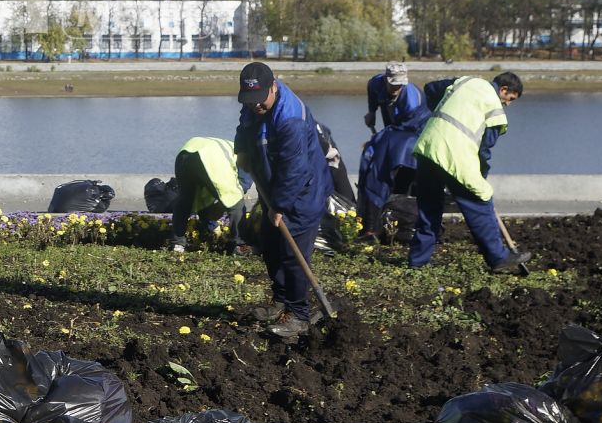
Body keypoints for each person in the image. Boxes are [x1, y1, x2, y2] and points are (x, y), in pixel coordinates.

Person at [232, 61, 334, 341]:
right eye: (249, 100)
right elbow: (245, 126)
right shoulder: (254, 102)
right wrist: (241, 150)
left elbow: (295, 169)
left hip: (302, 193)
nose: (255, 106)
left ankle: (299, 314)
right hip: (275, 187)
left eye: (259, 100)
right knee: (271, 245)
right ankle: (280, 302)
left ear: (273, 87)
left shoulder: (291, 119)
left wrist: (280, 206)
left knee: (293, 256)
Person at [408, 72, 527, 274]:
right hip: (455, 155)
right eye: (510, 99)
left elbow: (430, 88)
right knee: (481, 200)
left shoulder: (465, 81)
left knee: (430, 207)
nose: (508, 104)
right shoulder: (495, 109)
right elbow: (484, 151)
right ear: (504, 90)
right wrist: (481, 178)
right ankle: (499, 258)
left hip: (427, 147)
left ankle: (418, 260)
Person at [358, 61, 429, 241]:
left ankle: (402, 216)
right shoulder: (376, 83)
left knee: (389, 162)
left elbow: (405, 129)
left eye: (400, 85)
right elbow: (372, 93)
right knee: (371, 158)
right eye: (393, 84)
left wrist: (381, 138)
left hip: (414, 132)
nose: (396, 88)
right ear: (385, 79)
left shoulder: (413, 100)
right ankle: (371, 223)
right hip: (394, 128)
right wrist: (371, 112)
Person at [165, 135, 251, 255]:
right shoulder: (250, 156)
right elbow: (242, 185)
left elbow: (204, 198)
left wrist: (212, 226)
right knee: (236, 200)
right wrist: (221, 207)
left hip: (186, 152)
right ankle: (239, 245)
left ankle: (177, 244)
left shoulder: (232, 147)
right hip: (210, 157)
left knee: (186, 199)